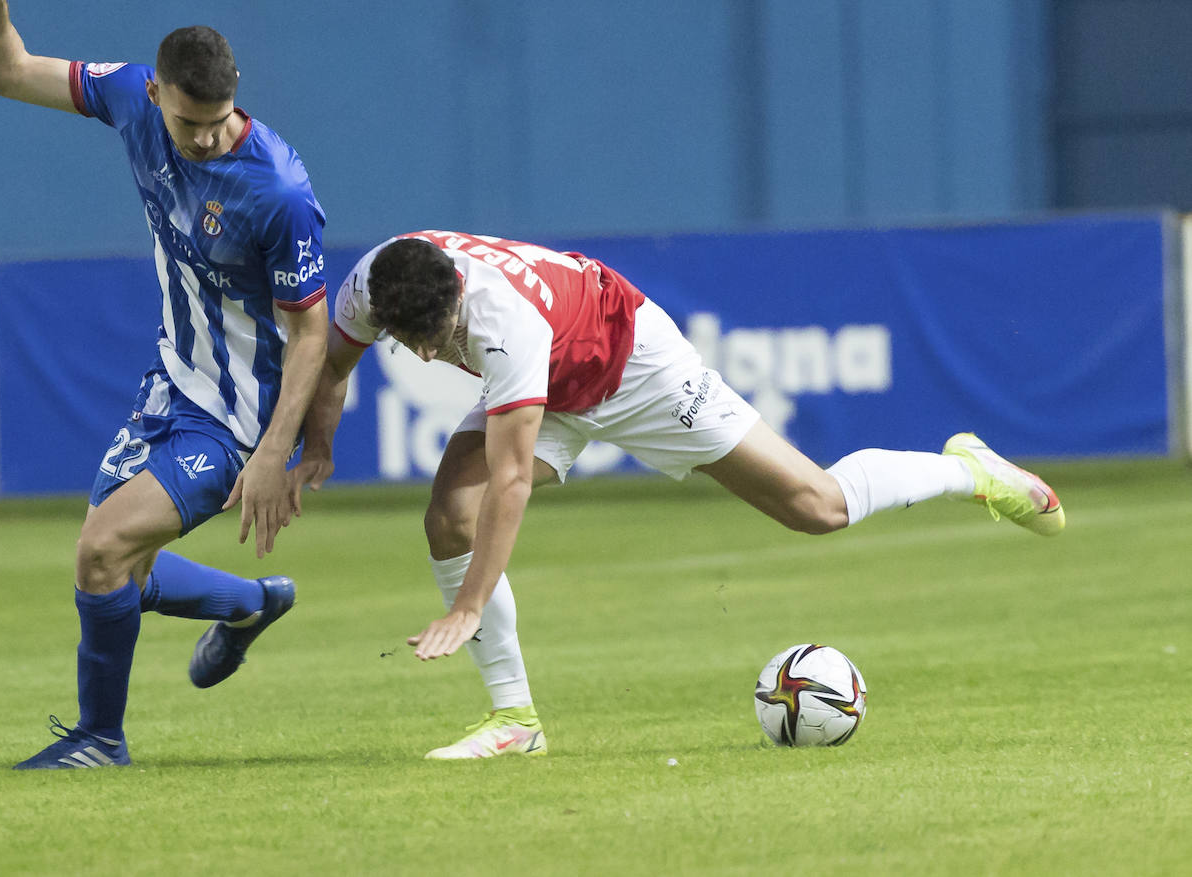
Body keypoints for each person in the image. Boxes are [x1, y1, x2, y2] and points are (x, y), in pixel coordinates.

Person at [291, 230, 1065, 760]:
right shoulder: (378, 280)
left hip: (634, 366)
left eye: (437, 335)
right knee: (448, 512)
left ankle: (968, 469)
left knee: (816, 507)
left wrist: (467, 607)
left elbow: (515, 479)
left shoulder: (502, 326)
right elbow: (334, 361)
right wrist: (317, 443)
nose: (428, 352)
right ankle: (515, 720)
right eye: (413, 342)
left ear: (458, 296)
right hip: (560, 376)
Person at [0, 0, 330, 769]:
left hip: (238, 415)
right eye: (187, 123)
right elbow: (6, 70)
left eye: (218, 124)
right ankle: (246, 602)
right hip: (172, 384)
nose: (204, 141)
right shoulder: (130, 101)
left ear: (234, 99)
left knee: (102, 549)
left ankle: (100, 738)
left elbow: (311, 334)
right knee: (110, 569)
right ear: (157, 89)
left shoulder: (274, 193)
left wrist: (276, 450)